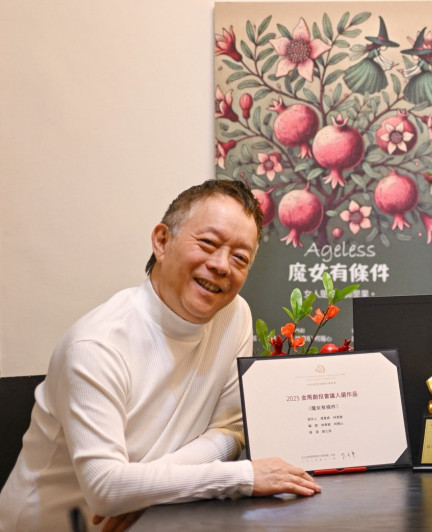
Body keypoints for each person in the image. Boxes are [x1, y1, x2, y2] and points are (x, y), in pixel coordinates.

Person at [0, 180, 321, 531]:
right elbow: (105, 488)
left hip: (153, 521)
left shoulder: (234, 316)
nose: (221, 265)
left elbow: (230, 430)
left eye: (240, 258)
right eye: (208, 243)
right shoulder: (95, 345)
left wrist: (145, 490)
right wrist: (243, 477)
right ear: (162, 241)